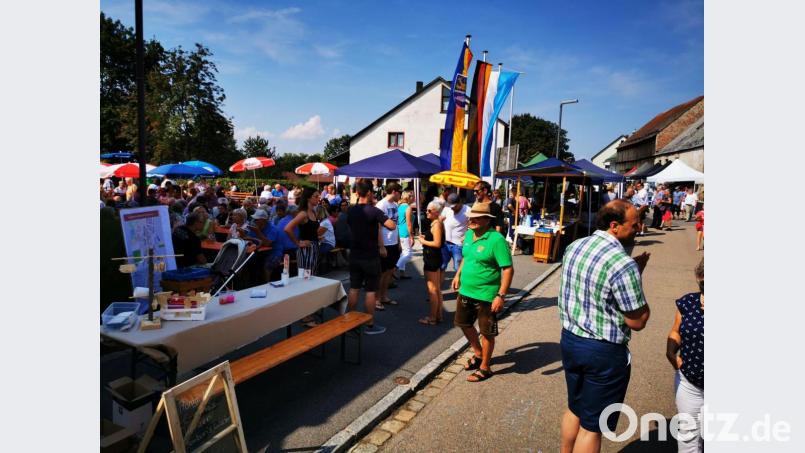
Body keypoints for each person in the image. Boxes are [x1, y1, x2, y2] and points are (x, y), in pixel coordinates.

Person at [558, 199, 651, 453]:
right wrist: (635, 277)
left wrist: (632, 272)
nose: (639, 228)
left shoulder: (575, 246)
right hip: (603, 352)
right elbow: (637, 320)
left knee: (575, 408)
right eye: (634, 224)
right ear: (614, 226)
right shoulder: (622, 264)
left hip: (571, 340)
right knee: (592, 427)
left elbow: (592, 286)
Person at [451, 202, 513, 382]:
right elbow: (466, 257)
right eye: (471, 217)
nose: (472, 220)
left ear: (487, 220)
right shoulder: (470, 234)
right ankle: (478, 353)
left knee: (487, 332)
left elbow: (508, 269)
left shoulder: (496, 240)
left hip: (486, 295)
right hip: (466, 290)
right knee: (463, 323)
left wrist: (501, 295)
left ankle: (485, 367)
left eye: (477, 218)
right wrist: (458, 274)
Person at [346, 180, 397, 335]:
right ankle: (369, 324)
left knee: (354, 288)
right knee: (370, 291)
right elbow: (392, 225)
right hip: (370, 255)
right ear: (369, 192)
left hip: (355, 254)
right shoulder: (374, 211)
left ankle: (350, 322)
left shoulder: (351, 210)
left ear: (357, 193)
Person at [666, 258, 704, 453]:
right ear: (699, 277)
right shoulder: (688, 302)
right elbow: (676, 330)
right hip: (689, 382)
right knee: (688, 435)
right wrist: (671, 352)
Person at [374, 182, 402, 309]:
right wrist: (381, 246)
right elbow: (378, 227)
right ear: (394, 192)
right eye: (399, 192)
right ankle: (376, 299)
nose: (400, 195)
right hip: (385, 243)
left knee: (389, 272)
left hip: (394, 242)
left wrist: (399, 242)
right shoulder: (381, 205)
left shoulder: (395, 205)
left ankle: (384, 296)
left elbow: (396, 225)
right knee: (382, 272)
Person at [284, 187, 323, 277]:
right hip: (306, 250)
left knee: (312, 276)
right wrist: (298, 243)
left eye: (319, 196)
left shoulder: (313, 212)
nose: (318, 198)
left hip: (313, 247)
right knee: (306, 277)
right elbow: (287, 228)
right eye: (316, 196)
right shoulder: (303, 214)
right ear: (308, 198)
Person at [418, 201, 445, 325]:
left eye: (429, 210)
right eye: (426, 210)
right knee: (436, 289)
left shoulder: (437, 224)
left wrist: (423, 241)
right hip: (433, 257)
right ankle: (438, 315)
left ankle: (432, 318)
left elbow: (437, 243)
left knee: (432, 290)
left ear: (436, 212)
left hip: (432, 259)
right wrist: (425, 238)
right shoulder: (435, 223)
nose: (427, 212)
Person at [440, 193, 470, 274]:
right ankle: (439, 282)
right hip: (445, 243)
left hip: (458, 245)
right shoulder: (447, 208)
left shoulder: (467, 210)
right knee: (441, 266)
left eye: (454, 206)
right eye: (451, 206)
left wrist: (466, 236)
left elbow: (472, 226)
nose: (452, 208)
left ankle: (460, 282)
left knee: (458, 268)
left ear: (460, 202)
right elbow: (440, 219)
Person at [395, 191, 415, 279]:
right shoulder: (407, 208)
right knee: (408, 254)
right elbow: (409, 223)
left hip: (399, 231)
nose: (414, 198)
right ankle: (394, 269)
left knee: (403, 253)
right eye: (412, 196)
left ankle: (402, 273)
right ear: (408, 198)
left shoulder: (399, 206)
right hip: (405, 232)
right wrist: (411, 236)